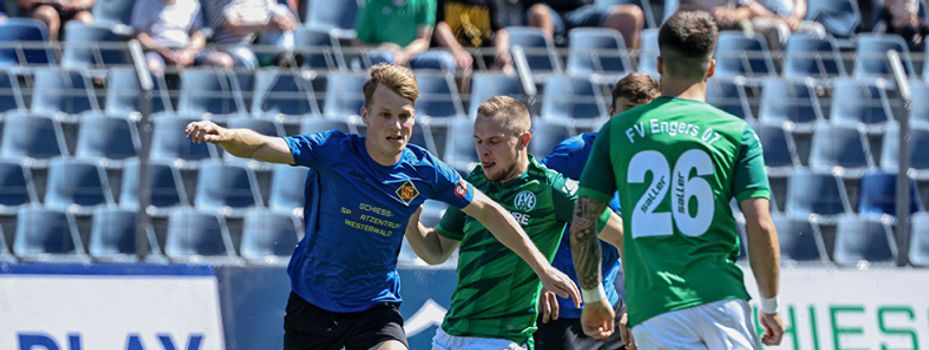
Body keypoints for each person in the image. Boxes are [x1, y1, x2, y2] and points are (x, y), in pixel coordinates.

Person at [184, 64, 579, 350]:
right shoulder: (334, 151)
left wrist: (542, 268)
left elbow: (490, 211)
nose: (397, 126)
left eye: (404, 117)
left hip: (375, 308)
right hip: (312, 302)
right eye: (386, 115)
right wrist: (227, 135)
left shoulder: (423, 170)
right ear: (366, 116)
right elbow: (266, 146)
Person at [571, 11, 785, 349]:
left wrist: (594, 296)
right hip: (722, 298)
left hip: (656, 307)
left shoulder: (617, 131)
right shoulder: (736, 132)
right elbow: (759, 224)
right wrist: (770, 305)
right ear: (711, 66)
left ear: (659, 63)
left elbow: (583, 221)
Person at [403, 96, 621, 350]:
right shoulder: (475, 184)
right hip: (449, 335)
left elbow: (622, 235)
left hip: (502, 339)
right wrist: (411, 224)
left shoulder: (551, 189)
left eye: (494, 141)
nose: (484, 151)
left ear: (523, 141)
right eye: (478, 141)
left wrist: (617, 303)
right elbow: (436, 251)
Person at [534, 72, 659, 350]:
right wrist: (538, 274)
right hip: (560, 310)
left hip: (610, 306)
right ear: (612, 112)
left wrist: (636, 308)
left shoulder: (655, 168)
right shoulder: (575, 154)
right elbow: (528, 205)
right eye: (627, 111)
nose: (635, 122)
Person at [131, 0, 231, 74]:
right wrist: (165, 52)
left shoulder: (192, 4)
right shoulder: (144, 3)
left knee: (222, 62)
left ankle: (203, 100)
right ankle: (156, 101)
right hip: (157, 51)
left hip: (186, 50)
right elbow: (141, 36)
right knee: (152, 67)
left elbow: (198, 35)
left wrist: (189, 53)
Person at [355, 0, 457, 71]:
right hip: (382, 58)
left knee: (446, 61)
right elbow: (358, 44)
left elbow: (423, 40)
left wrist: (404, 54)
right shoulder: (371, 3)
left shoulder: (426, 1)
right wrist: (382, 48)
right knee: (386, 58)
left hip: (414, 56)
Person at [202, 0, 298, 69]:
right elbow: (233, 26)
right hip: (232, 46)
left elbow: (274, 11)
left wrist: (288, 21)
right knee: (246, 59)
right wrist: (266, 26)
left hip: (260, 42)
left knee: (280, 11)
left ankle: (285, 58)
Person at [525, 0, 645, 47]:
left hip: (585, 12)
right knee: (539, 13)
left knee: (631, 15)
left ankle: (629, 73)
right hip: (551, 12)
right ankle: (544, 70)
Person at [18, 0, 93, 41]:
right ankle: (51, 58)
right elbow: (24, 2)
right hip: (42, 9)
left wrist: (75, 4)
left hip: (71, 12)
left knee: (85, 19)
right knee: (49, 15)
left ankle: (80, 61)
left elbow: (88, 2)